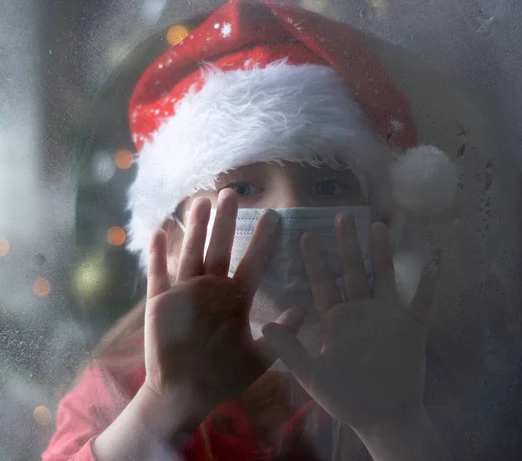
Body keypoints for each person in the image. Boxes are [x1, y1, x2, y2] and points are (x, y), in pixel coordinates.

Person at [42, 1, 458, 460]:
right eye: (240, 186)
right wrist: (162, 408)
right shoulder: (120, 387)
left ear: (378, 221)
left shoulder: (409, 369)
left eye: (327, 184)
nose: (292, 208)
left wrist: (394, 425)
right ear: (176, 234)